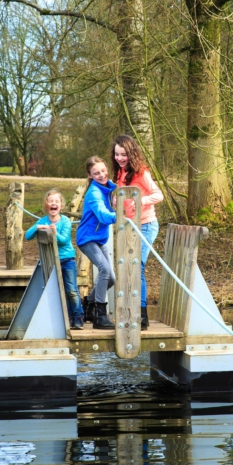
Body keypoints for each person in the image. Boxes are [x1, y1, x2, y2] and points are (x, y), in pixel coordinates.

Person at [112, 134, 164, 330]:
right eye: (117, 154)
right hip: (129, 226)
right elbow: (121, 195)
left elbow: (159, 195)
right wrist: (116, 200)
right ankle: (131, 310)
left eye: (123, 154)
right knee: (128, 267)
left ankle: (142, 315)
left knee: (137, 266)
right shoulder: (120, 173)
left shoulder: (141, 173)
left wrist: (139, 201)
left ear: (131, 153)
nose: (120, 158)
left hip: (146, 225)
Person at [25, 188, 85, 329]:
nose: (54, 203)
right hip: (52, 261)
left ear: (61, 205)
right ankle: (67, 318)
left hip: (67, 259)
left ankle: (78, 317)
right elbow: (27, 236)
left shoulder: (65, 221)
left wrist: (54, 232)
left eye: (57, 201)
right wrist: (37, 227)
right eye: (51, 201)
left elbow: (64, 240)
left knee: (71, 289)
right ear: (46, 204)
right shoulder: (43, 220)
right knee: (59, 291)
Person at [76, 156, 117, 330]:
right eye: (96, 173)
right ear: (90, 175)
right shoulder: (94, 193)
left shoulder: (107, 189)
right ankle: (100, 316)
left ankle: (88, 305)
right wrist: (120, 215)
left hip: (99, 239)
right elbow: (102, 215)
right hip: (87, 239)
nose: (101, 175)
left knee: (111, 279)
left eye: (102, 171)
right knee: (105, 270)